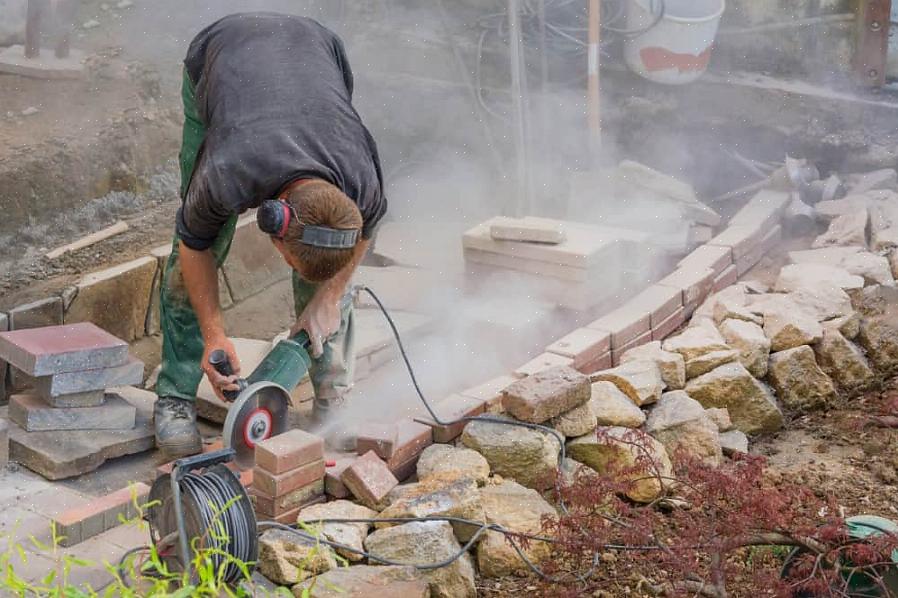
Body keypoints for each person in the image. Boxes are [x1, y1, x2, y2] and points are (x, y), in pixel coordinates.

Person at [154, 12, 387, 458]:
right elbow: (194, 244)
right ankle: (175, 396)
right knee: (201, 236)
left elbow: (363, 233)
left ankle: (333, 397)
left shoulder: (362, 180)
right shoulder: (227, 171)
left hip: (319, 50)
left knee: (330, 283)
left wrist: (329, 297)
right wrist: (215, 334)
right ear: (273, 230)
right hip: (219, 57)